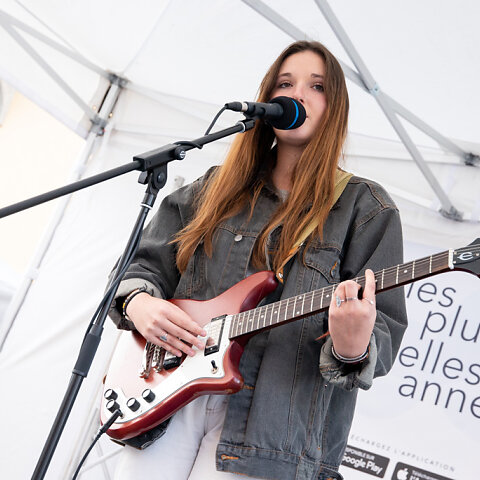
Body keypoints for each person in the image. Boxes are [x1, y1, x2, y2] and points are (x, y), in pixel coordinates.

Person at [108, 40, 407, 480]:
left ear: (335, 108)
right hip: (170, 394)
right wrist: (139, 303)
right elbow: (141, 266)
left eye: (317, 86)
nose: (297, 94)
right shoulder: (216, 187)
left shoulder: (367, 209)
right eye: (285, 84)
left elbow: (382, 333)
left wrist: (352, 345)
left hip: (270, 430)